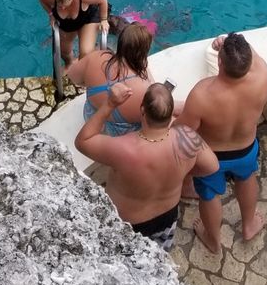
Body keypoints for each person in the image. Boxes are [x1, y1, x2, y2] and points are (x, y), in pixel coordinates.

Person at [75, 81, 218, 251]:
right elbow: (212, 166)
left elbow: (83, 141)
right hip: (167, 216)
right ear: (171, 112)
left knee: (126, 259)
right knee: (158, 255)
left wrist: (110, 104)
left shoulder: (123, 148)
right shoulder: (187, 139)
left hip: (129, 223)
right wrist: (184, 170)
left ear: (142, 111)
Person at [179, 32, 267, 254]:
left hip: (212, 157)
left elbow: (183, 131)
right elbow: (251, 55)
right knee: (246, 178)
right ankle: (249, 225)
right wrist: (237, 44)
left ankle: (213, 240)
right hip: (246, 150)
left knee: (209, 194)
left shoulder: (202, 94)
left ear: (219, 62)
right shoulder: (262, 76)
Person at [66, 22, 153, 137]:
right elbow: (157, 118)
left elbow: (72, 76)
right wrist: (146, 73)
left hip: (91, 118)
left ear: (120, 43)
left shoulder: (96, 57)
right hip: (116, 136)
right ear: (144, 52)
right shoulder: (144, 88)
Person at [38, 0, 110, 65]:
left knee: (85, 53)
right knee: (64, 51)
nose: (63, 8)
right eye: (59, 6)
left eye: (65, 5)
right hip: (67, 22)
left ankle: (83, 68)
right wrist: (51, 14)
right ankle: (69, 64)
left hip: (88, 17)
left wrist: (104, 19)